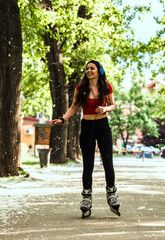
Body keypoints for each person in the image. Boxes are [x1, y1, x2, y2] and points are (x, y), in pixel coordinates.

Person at [51, 60, 120, 218]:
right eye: (87, 69)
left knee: (108, 162)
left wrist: (105, 108)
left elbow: (113, 105)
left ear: (99, 71)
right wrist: (63, 119)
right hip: (87, 127)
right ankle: (86, 198)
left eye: (92, 68)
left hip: (103, 126)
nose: (89, 71)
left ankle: (112, 194)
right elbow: (74, 106)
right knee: (87, 163)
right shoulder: (80, 88)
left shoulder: (105, 86)